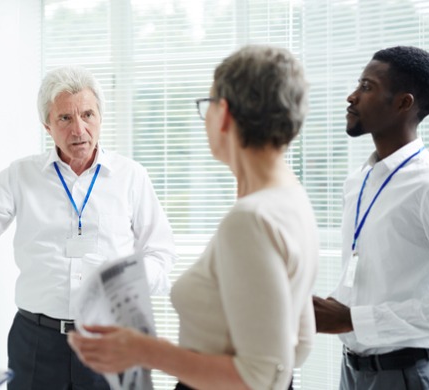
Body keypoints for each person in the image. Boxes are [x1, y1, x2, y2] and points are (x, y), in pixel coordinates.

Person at [0, 65, 177, 389]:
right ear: (47, 125)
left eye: (88, 115)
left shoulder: (132, 177)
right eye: (65, 118)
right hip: (36, 342)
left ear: (100, 118)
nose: (79, 129)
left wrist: (122, 281)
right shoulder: (22, 175)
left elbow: (161, 258)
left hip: (111, 340)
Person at [68, 45, 319, 390]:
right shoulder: (292, 198)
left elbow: (258, 376)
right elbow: (299, 345)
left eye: (209, 105)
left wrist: (142, 350)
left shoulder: (250, 220)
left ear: (225, 114)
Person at [313, 46, 429, 389]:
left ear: (404, 103)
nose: (352, 96)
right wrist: (335, 305)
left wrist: (351, 318)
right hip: (351, 372)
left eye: (367, 87)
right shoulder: (358, 180)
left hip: (405, 376)